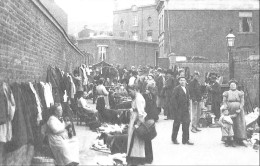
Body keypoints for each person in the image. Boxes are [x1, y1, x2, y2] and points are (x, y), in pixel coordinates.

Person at [126, 86, 153, 165]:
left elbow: (141, 114)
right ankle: (137, 157)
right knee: (136, 140)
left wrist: (137, 125)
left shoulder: (138, 99)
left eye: (130, 92)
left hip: (137, 119)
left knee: (137, 140)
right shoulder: (136, 96)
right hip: (134, 117)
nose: (129, 94)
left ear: (134, 89)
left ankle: (137, 158)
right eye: (128, 92)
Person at [222, 79, 247, 146]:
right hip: (229, 110)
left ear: (236, 86)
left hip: (238, 111)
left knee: (239, 124)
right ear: (229, 86)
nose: (233, 86)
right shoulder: (226, 93)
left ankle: (239, 139)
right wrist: (226, 108)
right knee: (228, 124)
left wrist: (240, 109)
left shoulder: (240, 93)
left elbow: (242, 102)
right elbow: (224, 101)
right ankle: (228, 140)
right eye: (231, 85)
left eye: (234, 85)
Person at [171, 77, 194, 145]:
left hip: (185, 110)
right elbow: (173, 99)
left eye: (183, 80)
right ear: (179, 81)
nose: (182, 81)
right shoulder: (176, 89)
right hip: (178, 109)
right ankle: (174, 138)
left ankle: (185, 139)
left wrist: (188, 107)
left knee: (186, 124)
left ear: (186, 81)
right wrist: (175, 109)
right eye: (181, 80)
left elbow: (187, 99)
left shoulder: (186, 88)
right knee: (176, 124)